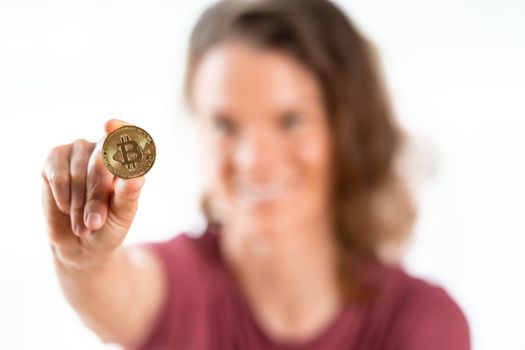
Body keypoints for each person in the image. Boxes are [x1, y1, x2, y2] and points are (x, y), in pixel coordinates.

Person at [41, 0, 470, 349]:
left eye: (291, 120)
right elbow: (112, 289)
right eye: (225, 125)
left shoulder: (421, 321)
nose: (253, 161)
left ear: (347, 129)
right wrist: (83, 260)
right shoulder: (176, 287)